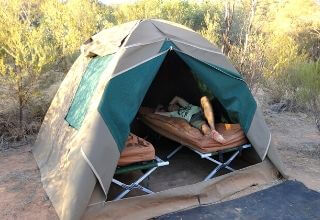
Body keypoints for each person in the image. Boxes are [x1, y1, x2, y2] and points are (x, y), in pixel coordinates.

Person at [155, 96, 226, 143]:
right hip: (193, 118)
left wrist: (170, 104)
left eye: (173, 105)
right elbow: (155, 113)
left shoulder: (186, 106)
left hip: (201, 110)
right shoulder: (173, 114)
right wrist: (160, 107)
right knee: (204, 126)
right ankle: (213, 134)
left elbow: (177, 98)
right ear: (170, 111)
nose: (173, 107)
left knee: (204, 99)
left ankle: (213, 129)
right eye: (171, 108)